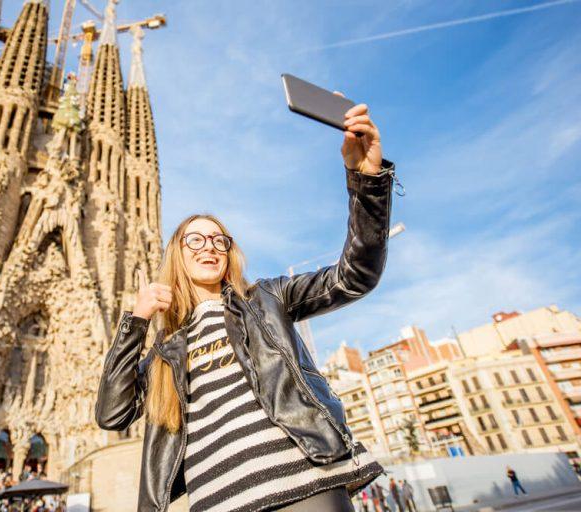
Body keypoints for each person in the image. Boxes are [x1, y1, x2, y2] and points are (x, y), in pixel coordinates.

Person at [96, 101, 395, 511]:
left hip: (305, 484)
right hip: (220, 501)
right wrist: (135, 322)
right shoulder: (166, 352)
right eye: (195, 240)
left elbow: (355, 275)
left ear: (230, 252)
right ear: (176, 256)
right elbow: (112, 414)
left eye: (219, 240)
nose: (209, 247)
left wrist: (367, 180)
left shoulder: (267, 300)